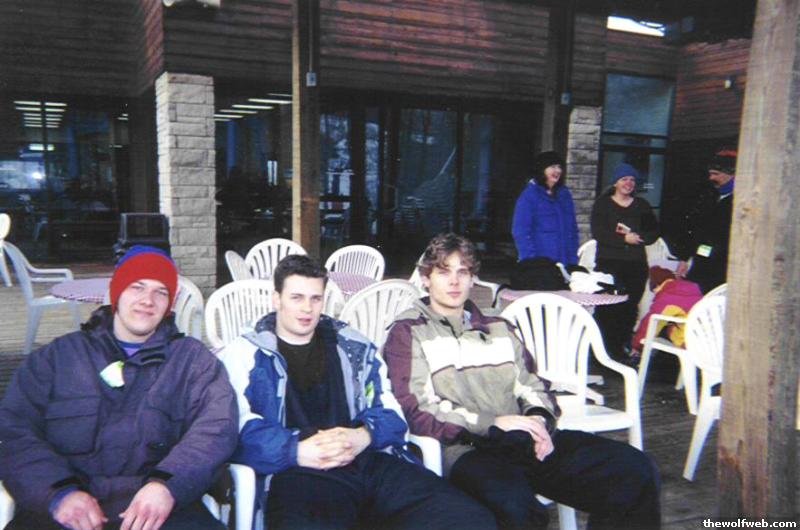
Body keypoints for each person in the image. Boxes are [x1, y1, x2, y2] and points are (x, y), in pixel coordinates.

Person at [383, 233, 661, 530]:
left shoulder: (499, 327)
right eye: (443, 272)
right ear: (426, 279)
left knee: (633, 469)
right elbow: (418, 410)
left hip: (523, 441)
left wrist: (539, 420)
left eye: (463, 272)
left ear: (473, 278)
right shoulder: (408, 332)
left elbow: (534, 385)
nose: (454, 281)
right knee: (516, 507)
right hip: (465, 450)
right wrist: (492, 423)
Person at [217, 254, 497, 530]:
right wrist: (294, 450)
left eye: (315, 298)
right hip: (297, 470)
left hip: (367, 460)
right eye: (296, 298)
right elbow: (234, 431)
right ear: (277, 299)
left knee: (469, 519)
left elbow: (392, 415)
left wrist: (364, 435)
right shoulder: (246, 355)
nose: (307, 309)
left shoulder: (353, 347)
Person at [0, 246, 238, 530]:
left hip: (160, 511)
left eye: (161, 292)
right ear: (116, 293)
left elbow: (215, 430)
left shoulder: (193, 362)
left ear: (170, 304)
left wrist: (167, 485)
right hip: (65, 510)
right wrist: (58, 493)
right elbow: (14, 431)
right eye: (137, 287)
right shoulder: (57, 358)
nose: (147, 300)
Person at [591, 163, 659, 359]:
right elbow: (598, 233)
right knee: (607, 309)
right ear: (615, 183)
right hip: (609, 264)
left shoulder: (642, 205)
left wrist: (640, 237)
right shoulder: (603, 204)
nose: (628, 183)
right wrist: (623, 239)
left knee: (629, 308)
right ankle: (602, 352)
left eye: (632, 180)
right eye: (624, 179)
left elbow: (654, 231)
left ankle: (622, 348)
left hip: (635, 264)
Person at [675, 149, 736, 293]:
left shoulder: (740, 201)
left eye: (715, 174)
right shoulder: (708, 197)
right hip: (702, 261)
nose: (711, 178)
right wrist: (685, 259)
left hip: (724, 267)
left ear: (731, 174)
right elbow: (694, 229)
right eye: (710, 174)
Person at [511, 151, 579, 265]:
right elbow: (520, 232)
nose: (557, 170)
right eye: (552, 167)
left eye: (559, 167)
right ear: (541, 170)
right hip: (540, 262)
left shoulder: (564, 194)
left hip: (565, 261)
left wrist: (573, 259)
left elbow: (573, 230)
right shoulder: (529, 196)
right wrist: (530, 261)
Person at [630, 266, 704, 359]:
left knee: (665, 331)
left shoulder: (667, 296)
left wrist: (636, 345)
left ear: (657, 286)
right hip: (709, 340)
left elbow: (651, 323)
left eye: (654, 291)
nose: (656, 294)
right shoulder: (693, 288)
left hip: (690, 344)